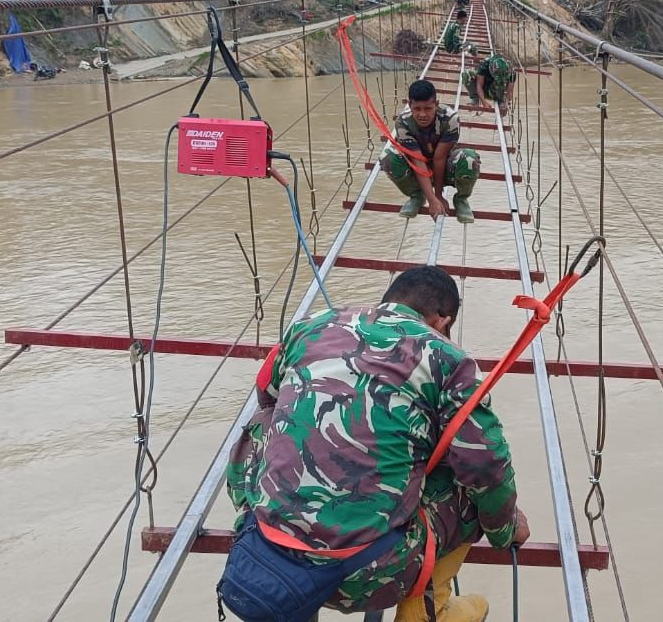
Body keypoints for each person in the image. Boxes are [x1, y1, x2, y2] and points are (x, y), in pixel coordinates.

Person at [223, 266, 528, 622]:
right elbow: (484, 463)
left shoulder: (311, 324)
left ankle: (265, 516)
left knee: (267, 420)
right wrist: (505, 528)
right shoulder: (448, 358)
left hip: (265, 553)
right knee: (470, 483)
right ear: (442, 320)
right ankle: (428, 612)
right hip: (369, 575)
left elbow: (267, 394)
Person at [385, 78, 479, 224]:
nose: (422, 114)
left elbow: (439, 158)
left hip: (444, 167)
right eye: (417, 109)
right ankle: (417, 195)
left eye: (428, 109)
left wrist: (438, 196)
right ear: (410, 105)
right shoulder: (403, 122)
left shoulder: (450, 119)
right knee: (388, 157)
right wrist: (431, 199)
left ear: (436, 104)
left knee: (469, 158)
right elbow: (417, 159)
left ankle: (461, 199)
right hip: (417, 169)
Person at [461, 48, 515, 117]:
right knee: (467, 74)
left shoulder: (510, 71)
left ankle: (500, 101)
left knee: (500, 84)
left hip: (498, 90)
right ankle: (475, 99)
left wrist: (506, 103)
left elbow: (510, 91)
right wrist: (484, 102)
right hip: (485, 88)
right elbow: (479, 85)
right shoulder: (485, 65)